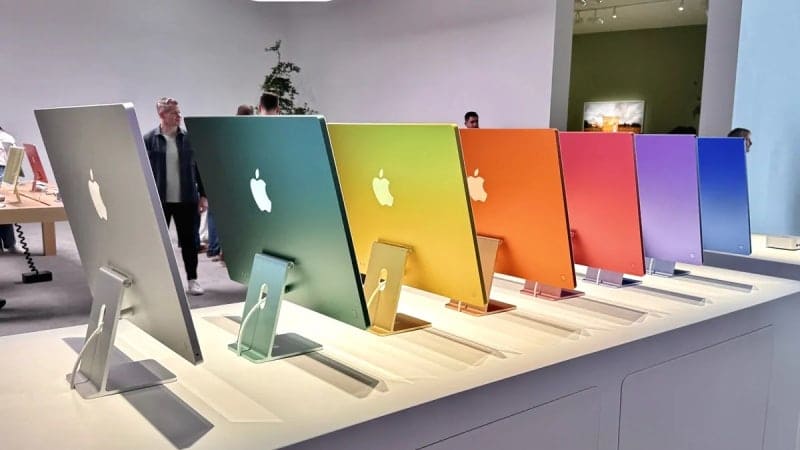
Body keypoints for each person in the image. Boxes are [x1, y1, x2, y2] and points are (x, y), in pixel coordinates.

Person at [143, 97, 207, 296]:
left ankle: (192, 280)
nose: (179, 116)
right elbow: (143, 170)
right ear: (162, 114)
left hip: (187, 200)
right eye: (174, 113)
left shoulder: (189, 138)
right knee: (158, 243)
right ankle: (159, 281)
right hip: (160, 200)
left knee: (190, 243)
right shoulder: (149, 139)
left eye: (179, 112)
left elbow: (200, 169)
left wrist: (203, 195)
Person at [0, 126, 22, 254]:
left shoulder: (6, 138)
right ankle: (10, 244)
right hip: (4, 172)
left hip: (3, 171)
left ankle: (8, 245)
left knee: (4, 210)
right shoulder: (8, 137)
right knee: (4, 210)